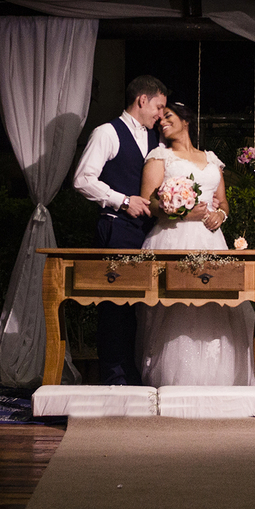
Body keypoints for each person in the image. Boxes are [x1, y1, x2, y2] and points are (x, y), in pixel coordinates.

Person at [136, 101, 255, 387]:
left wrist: (220, 214)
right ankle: (173, 379)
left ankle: (218, 377)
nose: (162, 122)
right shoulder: (159, 157)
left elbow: (223, 200)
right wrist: (184, 211)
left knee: (215, 306)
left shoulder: (212, 159)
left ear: (185, 120)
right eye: (160, 119)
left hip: (210, 240)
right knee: (175, 307)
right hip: (173, 237)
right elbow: (150, 202)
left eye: (168, 117)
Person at [73, 75, 172, 385]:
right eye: (159, 106)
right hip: (116, 228)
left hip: (149, 232)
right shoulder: (107, 133)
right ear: (142, 100)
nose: (161, 114)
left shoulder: (157, 140)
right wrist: (122, 200)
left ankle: (134, 374)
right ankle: (114, 378)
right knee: (115, 307)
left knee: (141, 309)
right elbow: (82, 179)